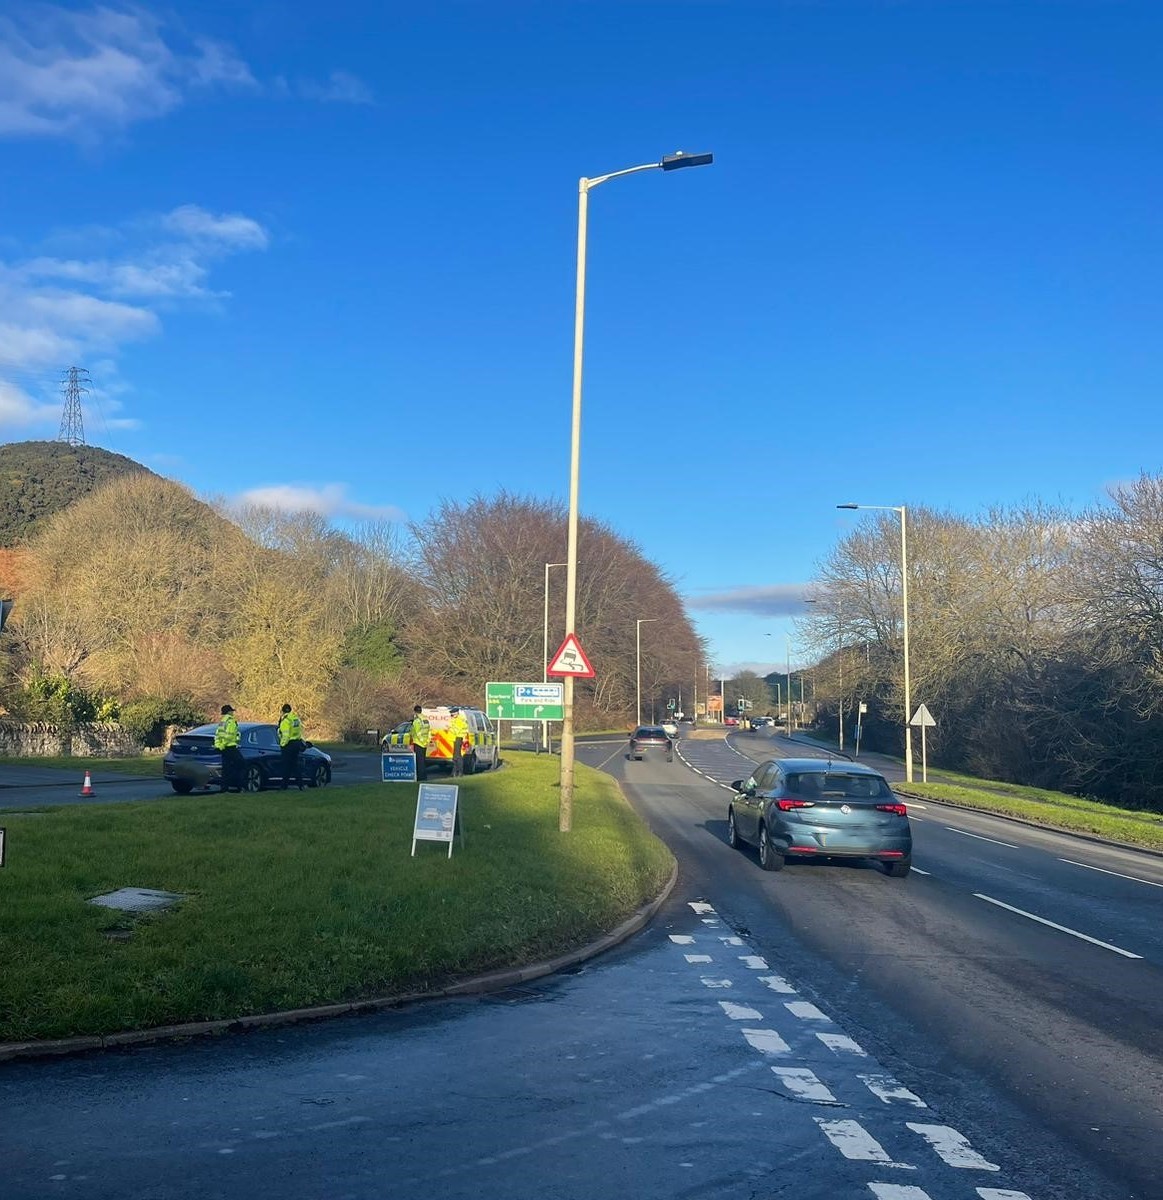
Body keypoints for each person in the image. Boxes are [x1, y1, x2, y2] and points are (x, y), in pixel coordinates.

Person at [214, 703, 243, 793]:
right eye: (232, 711)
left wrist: (218, 745)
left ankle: (224, 789)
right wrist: (225, 744)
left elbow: (218, 735)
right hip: (230, 747)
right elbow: (229, 736)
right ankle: (239, 787)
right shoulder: (231, 721)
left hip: (224, 748)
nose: (233, 713)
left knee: (226, 769)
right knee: (242, 764)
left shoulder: (222, 722)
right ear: (229, 712)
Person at [277, 703, 305, 791]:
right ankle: (300, 785)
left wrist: (282, 745)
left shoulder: (285, 721)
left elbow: (286, 735)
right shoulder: (295, 718)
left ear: (283, 711)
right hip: (296, 743)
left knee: (286, 765)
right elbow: (300, 731)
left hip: (288, 745)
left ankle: (284, 786)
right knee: (294, 765)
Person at [448, 706, 471, 777]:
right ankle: (454, 772)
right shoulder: (456, 719)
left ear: (456, 713)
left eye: (452, 714)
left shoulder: (460, 720)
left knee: (458, 756)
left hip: (459, 738)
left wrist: (449, 728)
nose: (451, 716)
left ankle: (460, 772)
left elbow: (456, 730)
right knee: (455, 756)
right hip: (456, 738)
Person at [410, 705, 431, 781]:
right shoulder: (426, 719)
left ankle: (420, 777)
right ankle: (424, 776)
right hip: (425, 743)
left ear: (415, 712)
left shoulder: (417, 721)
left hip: (419, 743)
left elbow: (417, 732)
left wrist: (421, 741)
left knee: (419, 762)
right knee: (423, 760)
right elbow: (429, 731)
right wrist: (427, 741)